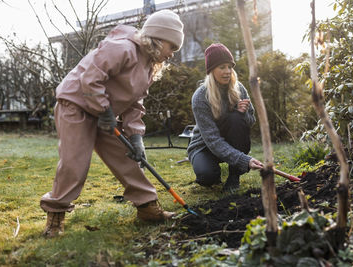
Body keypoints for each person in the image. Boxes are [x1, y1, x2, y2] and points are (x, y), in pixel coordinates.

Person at [40, 9, 184, 238]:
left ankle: (147, 207)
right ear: (158, 38)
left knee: (126, 156)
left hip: (102, 112)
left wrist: (136, 137)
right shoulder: (122, 48)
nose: (172, 54)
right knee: (75, 163)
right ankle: (55, 215)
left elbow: (135, 102)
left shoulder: (147, 66)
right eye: (172, 47)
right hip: (75, 105)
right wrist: (104, 110)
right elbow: (90, 77)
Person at [187, 43, 264, 193]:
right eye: (222, 67)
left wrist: (243, 113)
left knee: (236, 119)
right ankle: (211, 169)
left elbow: (251, 122)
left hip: (231, 141)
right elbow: (213, 140)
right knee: (207, 176)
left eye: (230, 67)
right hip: (204, 146)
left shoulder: (238, 88)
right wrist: (244, 160)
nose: (227, 71)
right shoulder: (200, 97)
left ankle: (234, 176)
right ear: (211, 70)